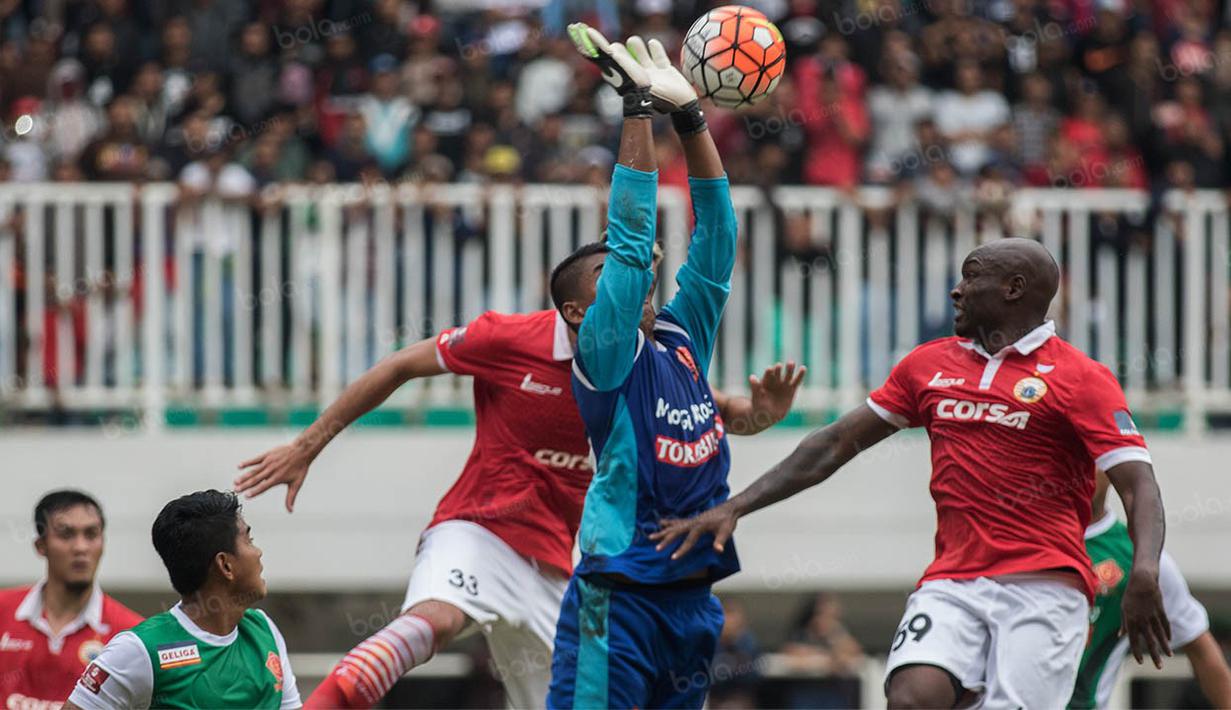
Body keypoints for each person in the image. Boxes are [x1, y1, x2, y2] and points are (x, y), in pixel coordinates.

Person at [234, 196, 801, 709]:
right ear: (577, 307)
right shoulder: (508, 338)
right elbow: (403, 363)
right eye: (614, 275)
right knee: (434, 621)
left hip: (569, 570)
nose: (635, 287)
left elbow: (724, 411)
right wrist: (309, 445)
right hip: (482, 527)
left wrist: (764, 415)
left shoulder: (646, 355)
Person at [653, 237, 1173, 709]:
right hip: (952, 581)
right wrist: (735, 506)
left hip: (1046, 586)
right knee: (908, 698)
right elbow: (834, 444)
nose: (956, 290)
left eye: (972, 277)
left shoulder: (1082, 378)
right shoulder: (928, 365)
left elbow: (1137, 482)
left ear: (1014, 289)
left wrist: (1145, 569)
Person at [546, 24, 739, 709]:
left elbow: (716, 238)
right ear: (577, 313)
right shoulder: (603, 355)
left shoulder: (683, 336)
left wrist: (691, 118)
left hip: (692, 603)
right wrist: (635, 109)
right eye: (602, 278)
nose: (635, 271)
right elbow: (630, 245)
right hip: (618, 598)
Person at [65, 490, 300, 709]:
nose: (258, 552)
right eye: (249, 540)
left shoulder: (264, 630)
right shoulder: (139, 649)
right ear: (225, 565)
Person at [1069, 471, 1231, 708]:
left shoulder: (1140, 559)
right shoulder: (1019, 539)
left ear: (1113, 465)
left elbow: (1200, 648)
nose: (1083, 467)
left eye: (1093, 457)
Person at [0, 491, 142, 708]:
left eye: (91, 534)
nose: (80, 547)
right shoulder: (3, 610)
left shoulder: (131, 634)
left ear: (103, 543)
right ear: (40, 546)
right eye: (66, 534)